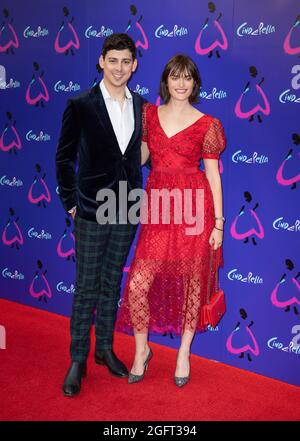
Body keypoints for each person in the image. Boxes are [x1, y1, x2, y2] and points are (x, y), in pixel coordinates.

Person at [116, 54, 226, 387]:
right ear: (166, 81)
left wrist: (219, 223)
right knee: (137, 284)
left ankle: (183, 353)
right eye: (175, 77)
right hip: (160, 209)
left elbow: (213, 176)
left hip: (195, 210)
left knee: (193, 285)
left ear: (194, 83)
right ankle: (141, 350)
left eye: (187, 78)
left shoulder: (208, 124)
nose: (180, 84)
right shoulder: (149, 114)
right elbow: (143, 158)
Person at [56, 33, 146, 397]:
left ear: (134, 65)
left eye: (126, 61)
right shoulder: (80, 104)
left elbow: (143, 154)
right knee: (87, 286)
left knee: (112, 283)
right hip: (92, 210)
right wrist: (71, 202)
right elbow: (64, 158)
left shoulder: (142, 106)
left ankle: (104, 349)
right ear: (101, 61)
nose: (119, 68)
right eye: (113, 60)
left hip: (127, 208)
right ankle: (78, 358)